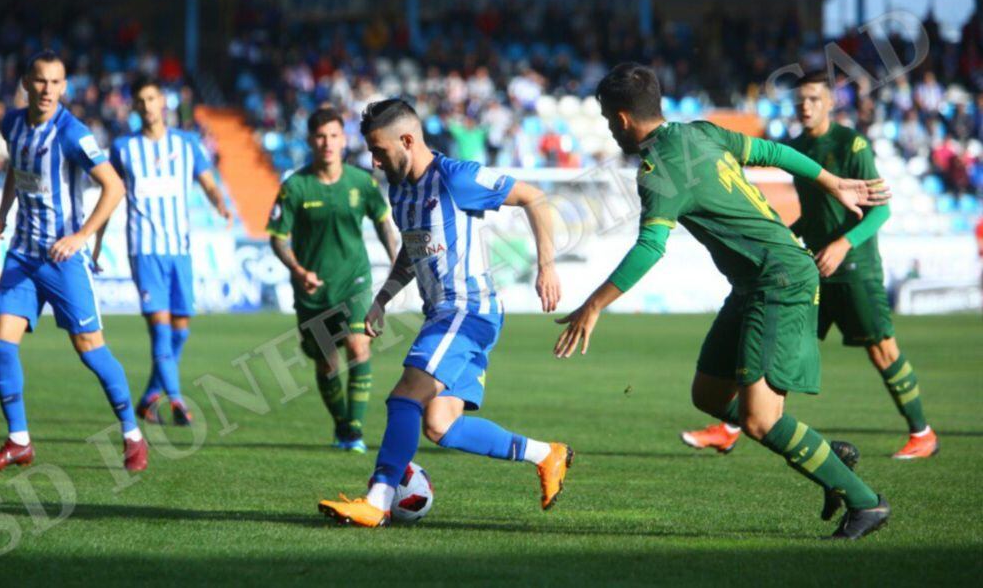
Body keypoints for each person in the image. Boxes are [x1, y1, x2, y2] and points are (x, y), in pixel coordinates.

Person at [555, 63, 890, 539]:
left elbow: (650, 247)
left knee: (758, 420)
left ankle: (866, 503)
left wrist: (593, 305)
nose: (611, 130)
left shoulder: (658, 172)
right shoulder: (702, 133)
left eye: (610, 121)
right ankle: (823, 456)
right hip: (754, 283)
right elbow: (773, 150)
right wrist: (829, 181)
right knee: (709, 395)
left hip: (779, 280)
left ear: (623, 118)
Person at [317, 99, 569, 527]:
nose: (375, 162)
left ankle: (377, 502)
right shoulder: (399, 190)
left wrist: (546, 265)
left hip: (467, 311)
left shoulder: (457, 177)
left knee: (404, 397)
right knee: (440, 425)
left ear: (408, 140)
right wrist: (382, 298)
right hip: (445, 313)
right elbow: (412, 253)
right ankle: (548, 454)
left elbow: (534, 196)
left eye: (379, 151)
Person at [682, 70, 938, 459]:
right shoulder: (798, 149)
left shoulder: (851, 144)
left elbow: (879, 212)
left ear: (831, 102)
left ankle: (923, 433)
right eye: (800, 100)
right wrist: (785, 234)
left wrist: (842, 244)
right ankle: (731, 426)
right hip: (812, 270)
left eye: (814, 99)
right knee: (767, 346)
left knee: (882, 350)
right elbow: (815, 213)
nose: (805, 106)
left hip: (855, 269)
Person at [0, 50, 147, 472]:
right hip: (22, 254)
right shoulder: (13, 124)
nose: (47, 90)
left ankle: (132, 433)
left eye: (56, 83)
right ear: (25, 82)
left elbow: (113, 187)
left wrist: (80, 237)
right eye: (40, 81)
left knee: (90, 350)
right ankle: (19, 440)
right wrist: (3, 212)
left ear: (65, 87)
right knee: (1, 342)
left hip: (62, 259)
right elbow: (17, 170)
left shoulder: (73, 133)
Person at [104, 76, 232, 426]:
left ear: (163, 102)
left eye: (152, 98)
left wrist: (220, 204)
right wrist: (96, 237)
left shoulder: (187, 143)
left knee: (181, 330)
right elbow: (109, 192)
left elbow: (208, 182)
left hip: (180, 249)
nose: (147, 106)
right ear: (133, 106)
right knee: (160, 330)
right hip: (144, 250)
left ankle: (148, 398)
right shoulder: (123, 148)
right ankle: (177, 400)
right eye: (140, 100)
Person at [269, 107, 398, 453]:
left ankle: (354, 431)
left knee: (359, 345)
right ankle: (343, 426)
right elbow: (278, 237)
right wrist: (298, 271)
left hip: (354, 281)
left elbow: (384, 222)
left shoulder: (361, 182)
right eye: (321, 136)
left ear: (344, 140)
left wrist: (396, 260)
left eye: (334, 136)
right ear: (311, 140)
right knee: (326, 361)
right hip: (312, 290)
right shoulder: (295, 187)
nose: (327, 143)